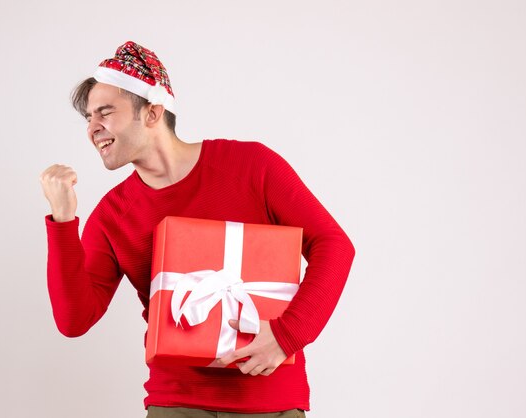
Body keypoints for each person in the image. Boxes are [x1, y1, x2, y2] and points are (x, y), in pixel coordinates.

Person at [40, 41, 355, 418]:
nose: (93, 129)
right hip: (175, 404)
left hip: (270, 400)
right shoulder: (113, 214)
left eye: (105, 113)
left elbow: (334, 245)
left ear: (153, 112)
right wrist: (62, 221)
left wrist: (289, 335)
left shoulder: (251, 166)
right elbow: (74, 320)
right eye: (88, 118)